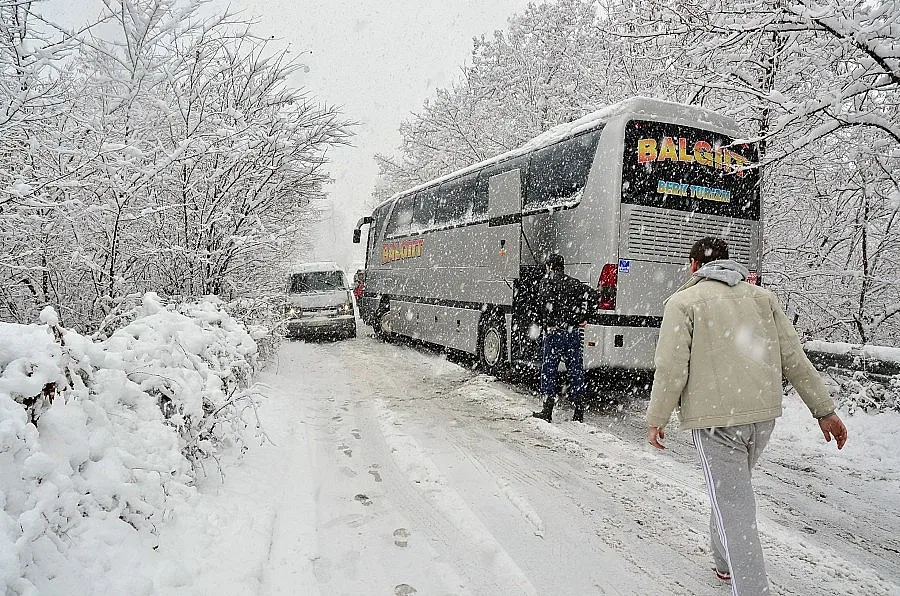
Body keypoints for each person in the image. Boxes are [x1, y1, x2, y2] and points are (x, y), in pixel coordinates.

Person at [646, 237, 848, 595]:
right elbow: (794, 358)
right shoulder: (762, 298)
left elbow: (670, 368)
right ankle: (724, 563)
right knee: (730, 493)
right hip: (761, 417)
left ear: (695, 265)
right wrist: (824, 410)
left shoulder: (683, 302)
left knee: (734, 503)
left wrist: (657, 416)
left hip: (716, 423)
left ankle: (752, 589)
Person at [532, 254, 595, 423]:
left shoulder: (546, 282)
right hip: (572, 332)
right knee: (576, 370)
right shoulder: (574, 283)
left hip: (554, 333)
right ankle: (579, 411)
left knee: (549, 371)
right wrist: (584, 316)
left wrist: (548, 323)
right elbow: (593, 296)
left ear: (550, 267)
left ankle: (547, 410)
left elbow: (543, 306)